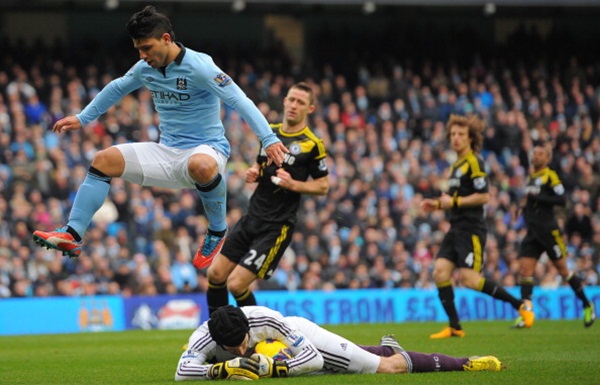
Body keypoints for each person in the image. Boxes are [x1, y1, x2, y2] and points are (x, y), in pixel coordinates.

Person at [31, 6, 287, 267]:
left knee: (200, 164)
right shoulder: (145, 68)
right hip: (166, 152)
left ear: (166, 39)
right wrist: (82, 118)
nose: (142, 56)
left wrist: (268, 139)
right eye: (138, 50)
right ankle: (72, 234)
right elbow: (118, 87)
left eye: (146, 48)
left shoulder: (200, 66)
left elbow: (240, 100)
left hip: (207, 150)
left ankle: (217, 230)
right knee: (103, 159)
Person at [203, 82, 329, 315]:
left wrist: (293, 184)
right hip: (252, 216)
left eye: (300, 102)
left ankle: (256, 334)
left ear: (309, 109)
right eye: (291, 99)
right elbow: (261, 163)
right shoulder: (269, 131)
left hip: (276, 226)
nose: (293, 105)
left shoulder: (313, 144)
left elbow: (323, 185)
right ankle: (215, 334)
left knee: (237, 284)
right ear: (284, 101)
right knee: (215, 274)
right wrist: (255, 171)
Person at [420, 114, 534, 339]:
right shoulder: (456, 166)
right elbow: (455, 199)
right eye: (452, 134)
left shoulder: (474, 161)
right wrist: (436, 204)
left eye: (461, 134)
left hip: (471, 229)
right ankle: (455, 326)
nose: (455, 138)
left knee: (469, 279)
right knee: (440, 271)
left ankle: (520, 305)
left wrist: (452, 202)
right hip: (455, 227)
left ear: (471, 138)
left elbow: (483, 196)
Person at [174, 305, 502, 381]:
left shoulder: (266, 319)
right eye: (233, 349)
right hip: (290, 357)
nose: (241, 351)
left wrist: (274, 367)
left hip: (304, 341)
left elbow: (313, 358)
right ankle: (385, 344)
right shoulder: (204, 336)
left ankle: (465, 362)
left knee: (387, 368)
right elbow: (181, 371)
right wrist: (223, 368)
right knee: (341, 367)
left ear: (248, 328)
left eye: (243, 344)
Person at [514, 142, 595, 328]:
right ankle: (526, 314)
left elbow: (561, 199)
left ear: (547, 158)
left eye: (540, 153)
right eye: (535, 153)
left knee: (564, 271)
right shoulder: (531, 176)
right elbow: (531, 201)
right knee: (525, 272)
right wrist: (522, 208)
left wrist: (538, 198)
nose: (536, 155)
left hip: (548, 231)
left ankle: (587, 304)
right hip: (532, 232)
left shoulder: (550, 176)